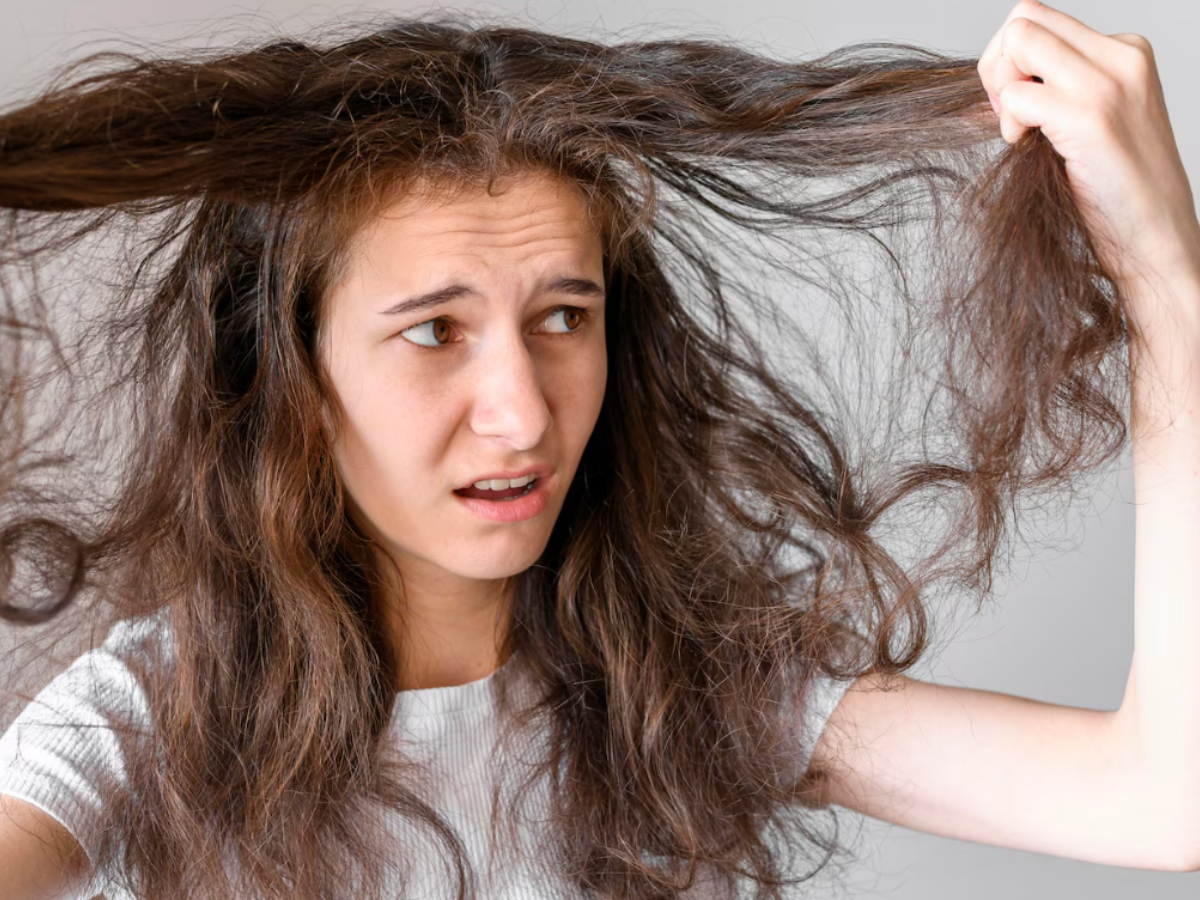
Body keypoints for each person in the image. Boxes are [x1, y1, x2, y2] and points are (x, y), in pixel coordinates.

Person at [1, 0, 1197, 897]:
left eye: (563, 318)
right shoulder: (139, 723)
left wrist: (1161, 269)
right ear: (293, 382)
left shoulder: (684, 693)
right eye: (434, 332)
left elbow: (1165, 799)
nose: (524, 415)